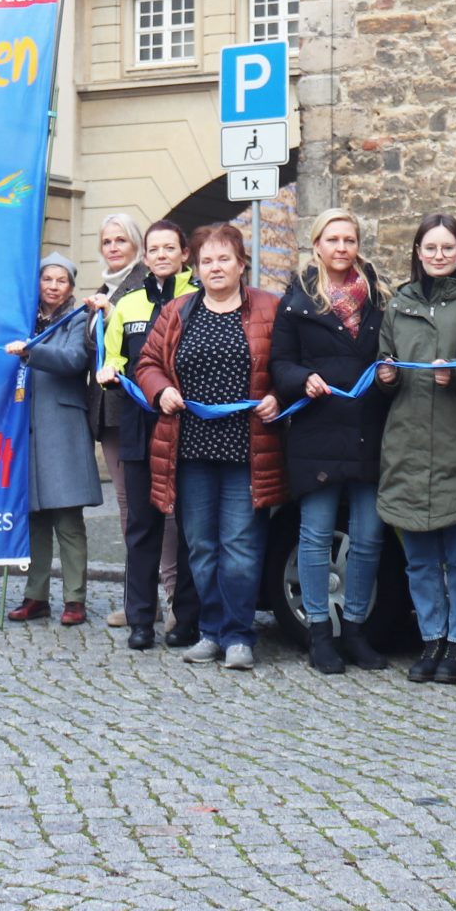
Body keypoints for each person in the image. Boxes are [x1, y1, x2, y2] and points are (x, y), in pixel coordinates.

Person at [137, 223, 283, 672]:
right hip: (191, 448)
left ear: (242, 263)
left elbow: (290, 364)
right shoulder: (180, 311)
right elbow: (147, 362)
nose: (215, 267)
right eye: (206, 260)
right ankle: (210, 631)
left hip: (248, 449)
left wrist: (281, 394)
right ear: (195, 268)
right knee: (200, 545)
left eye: (224, 258)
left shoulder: (270, 309)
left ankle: (240, 636)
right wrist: (160, 390)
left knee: (240, 545)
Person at [270, 208, 395, 675]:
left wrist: (388, 374)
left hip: (368, 429)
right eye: (333, 239)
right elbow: (279, 365)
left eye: (349, 239)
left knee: (367, 536)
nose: (342, 247)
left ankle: (357, 628)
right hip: (318, 431)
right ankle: (320, 631)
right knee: (316, 535)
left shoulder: (379, 298)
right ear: (317, 245)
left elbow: (395, 356)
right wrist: (303, 379)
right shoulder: (297, 300)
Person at [376, 212, 456, 685]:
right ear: (417, 253)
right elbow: (384, 359)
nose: (438, 255)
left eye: (447, 248)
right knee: (419, 560)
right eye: (430, 248)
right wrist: (386, 374)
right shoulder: (397, 306)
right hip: (408, 444)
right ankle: (431, 640)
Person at [100, 219, 200, 650]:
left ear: (183, 255)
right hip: (140, 426)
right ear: (146, 257)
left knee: (190, 528)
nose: (161, 255)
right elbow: (115, 356)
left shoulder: (199, 299)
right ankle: (141, 619)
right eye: (154, 249)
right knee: (143, 526)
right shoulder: (129, 304)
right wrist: (108, 372)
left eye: (169, 248)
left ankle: (186, 619)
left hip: (190, 427)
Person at [5, 253, 102, 624]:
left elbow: (73, 360)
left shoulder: (78, 319)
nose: (53, 286)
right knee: (35, 518)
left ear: (71, 287)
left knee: (68, 518)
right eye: (48, 279)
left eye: (61, 280)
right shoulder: (22, 319)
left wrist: (31, 351)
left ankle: (75, 598)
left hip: (62, 424)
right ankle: (36, 595)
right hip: (26, 424)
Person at [85, 211, 150, 626]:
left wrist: (110, 314)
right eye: (107, 242)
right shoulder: (99, 289)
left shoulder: (142, 285)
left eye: (120, 241)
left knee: (148, 509)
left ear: (135, 245)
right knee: (127, 507)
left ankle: (161, 597)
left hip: (135, 407)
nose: (113, 248)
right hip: (107, 412)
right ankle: (137, 600)